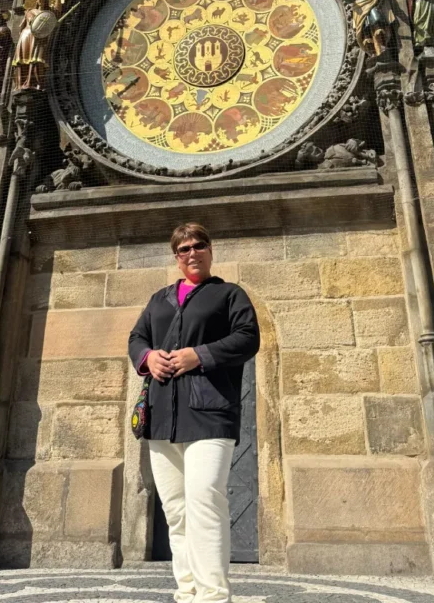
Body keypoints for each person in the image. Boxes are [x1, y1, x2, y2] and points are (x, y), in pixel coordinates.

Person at [128, 223, 260, 603]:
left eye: (199, 245)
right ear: (176, 257)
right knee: (176, 509)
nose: (192, 253)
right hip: (162, 418)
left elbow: (247, 338)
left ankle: (214, 596)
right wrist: (148, 357)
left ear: (210, 250)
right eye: (184, 248)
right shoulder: (159, 299)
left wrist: (198, 355)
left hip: (211, 414)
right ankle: (187, 592)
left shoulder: (229, 295)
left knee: (205, 500)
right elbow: (137, 337)